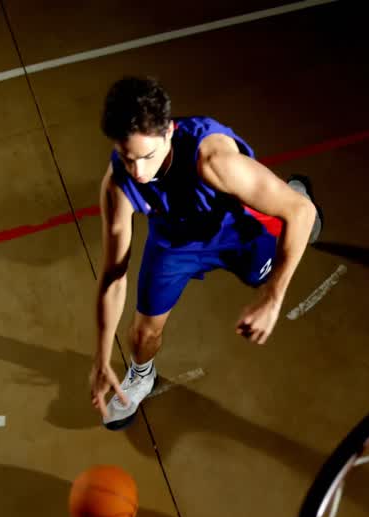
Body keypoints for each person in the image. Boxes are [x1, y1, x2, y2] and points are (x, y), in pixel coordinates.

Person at [89, 76, 322, 430]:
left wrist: (272, 298)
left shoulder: (214, 160)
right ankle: (142, 375)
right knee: (142, 334)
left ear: (169, 132)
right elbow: (113, 276)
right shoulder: (119, 182)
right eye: (127, 157)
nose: (138, 172)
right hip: (174, 244)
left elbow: (300, 216)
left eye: (147, 157)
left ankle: (291, 191)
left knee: (295, 218)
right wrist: (103, 356)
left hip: (238, 233)